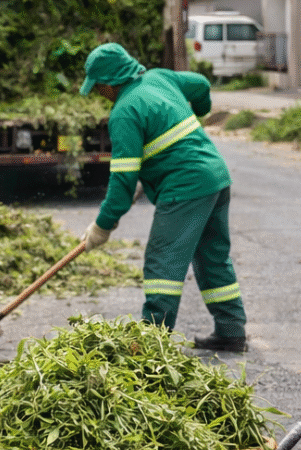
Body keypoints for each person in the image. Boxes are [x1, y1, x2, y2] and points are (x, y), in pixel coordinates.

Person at [79, 43, 248, 352]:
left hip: (185, 186)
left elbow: (122, 183)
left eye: (98, 86)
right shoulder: (160, 79)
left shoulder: (124, 113)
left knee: (163, 261)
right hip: (215, 177)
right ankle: (231, 330)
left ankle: (150, 344)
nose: (98, 93)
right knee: (212, 256)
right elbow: (201, 85)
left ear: (110, 82)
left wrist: (102, 227)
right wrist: (199, 111)